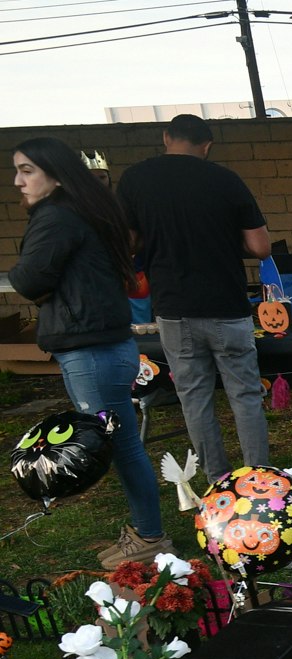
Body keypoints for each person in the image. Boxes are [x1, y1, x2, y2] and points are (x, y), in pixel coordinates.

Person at [8, 136, 172, 567]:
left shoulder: (56, 217)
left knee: (121, 448)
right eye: (17, 170)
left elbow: (28, 279)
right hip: (106, 343)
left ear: (56, 175)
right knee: (124, 446)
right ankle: (146, 532)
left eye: (27, 171)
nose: (17, 181)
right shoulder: (87, 211)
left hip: (91, 351)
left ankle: (151, 537)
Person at [117, 113, 273, 488]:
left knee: (194, 397)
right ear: (207, 146)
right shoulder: (225, 180)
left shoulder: (135, 179)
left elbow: (127, 243)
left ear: (167, 136)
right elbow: (260, 246)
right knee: (245, 395)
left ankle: (216, 480)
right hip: (227, 307)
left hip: (174, 309)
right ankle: (257, 478)